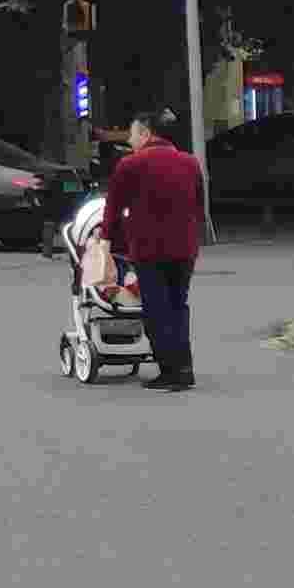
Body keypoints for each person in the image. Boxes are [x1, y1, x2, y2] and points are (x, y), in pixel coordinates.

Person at [101, 111, 208, 391]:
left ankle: (170, 371)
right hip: (185, 248)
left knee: (156, 310)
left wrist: (106, 242)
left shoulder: (130, 164)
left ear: (146, 134)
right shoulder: (190, 162)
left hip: (149, 248)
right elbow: (199, 205)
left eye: (132, 135)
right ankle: (185, 368)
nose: (130, 141)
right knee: (178, 306)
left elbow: (113, 208)